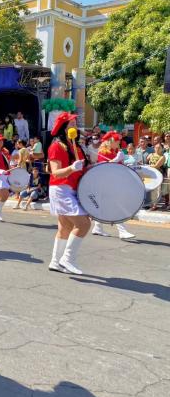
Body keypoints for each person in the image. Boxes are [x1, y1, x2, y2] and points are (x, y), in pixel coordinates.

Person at [47, 112, 90, 275]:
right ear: (64, 128)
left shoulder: (75, 146)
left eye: (75, 124)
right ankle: (68, 259)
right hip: (61, 188)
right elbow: (56, 172)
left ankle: (55, 262)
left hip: (71, 189)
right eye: (72, 124)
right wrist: (72, 168)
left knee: (65, 227)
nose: (75, 127)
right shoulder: (56, 146)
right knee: (84, 224)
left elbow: (81, 170)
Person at [90, 131, 136, 239]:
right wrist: (116, 159)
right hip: (106, 182)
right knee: (116, 206)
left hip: (113, 181)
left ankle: (97, 227)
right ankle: (122, 231)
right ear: (110, 141)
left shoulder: (115, 151)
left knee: (103, 206)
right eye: (117, 141)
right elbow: (105, 167)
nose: (119, 143)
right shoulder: (104, 151)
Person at [147, 143, 167, 210]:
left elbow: (156, 166)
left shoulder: (162, 157)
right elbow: (146, 160)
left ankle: (154, 205)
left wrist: (148, 166)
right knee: (151, 189)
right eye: (156, 147)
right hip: (150, 174)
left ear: (162, 149)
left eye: (159, 148)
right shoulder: (150, 155)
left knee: (156, 190)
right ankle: (151, 204)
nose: (157, 149)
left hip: (158, 174)